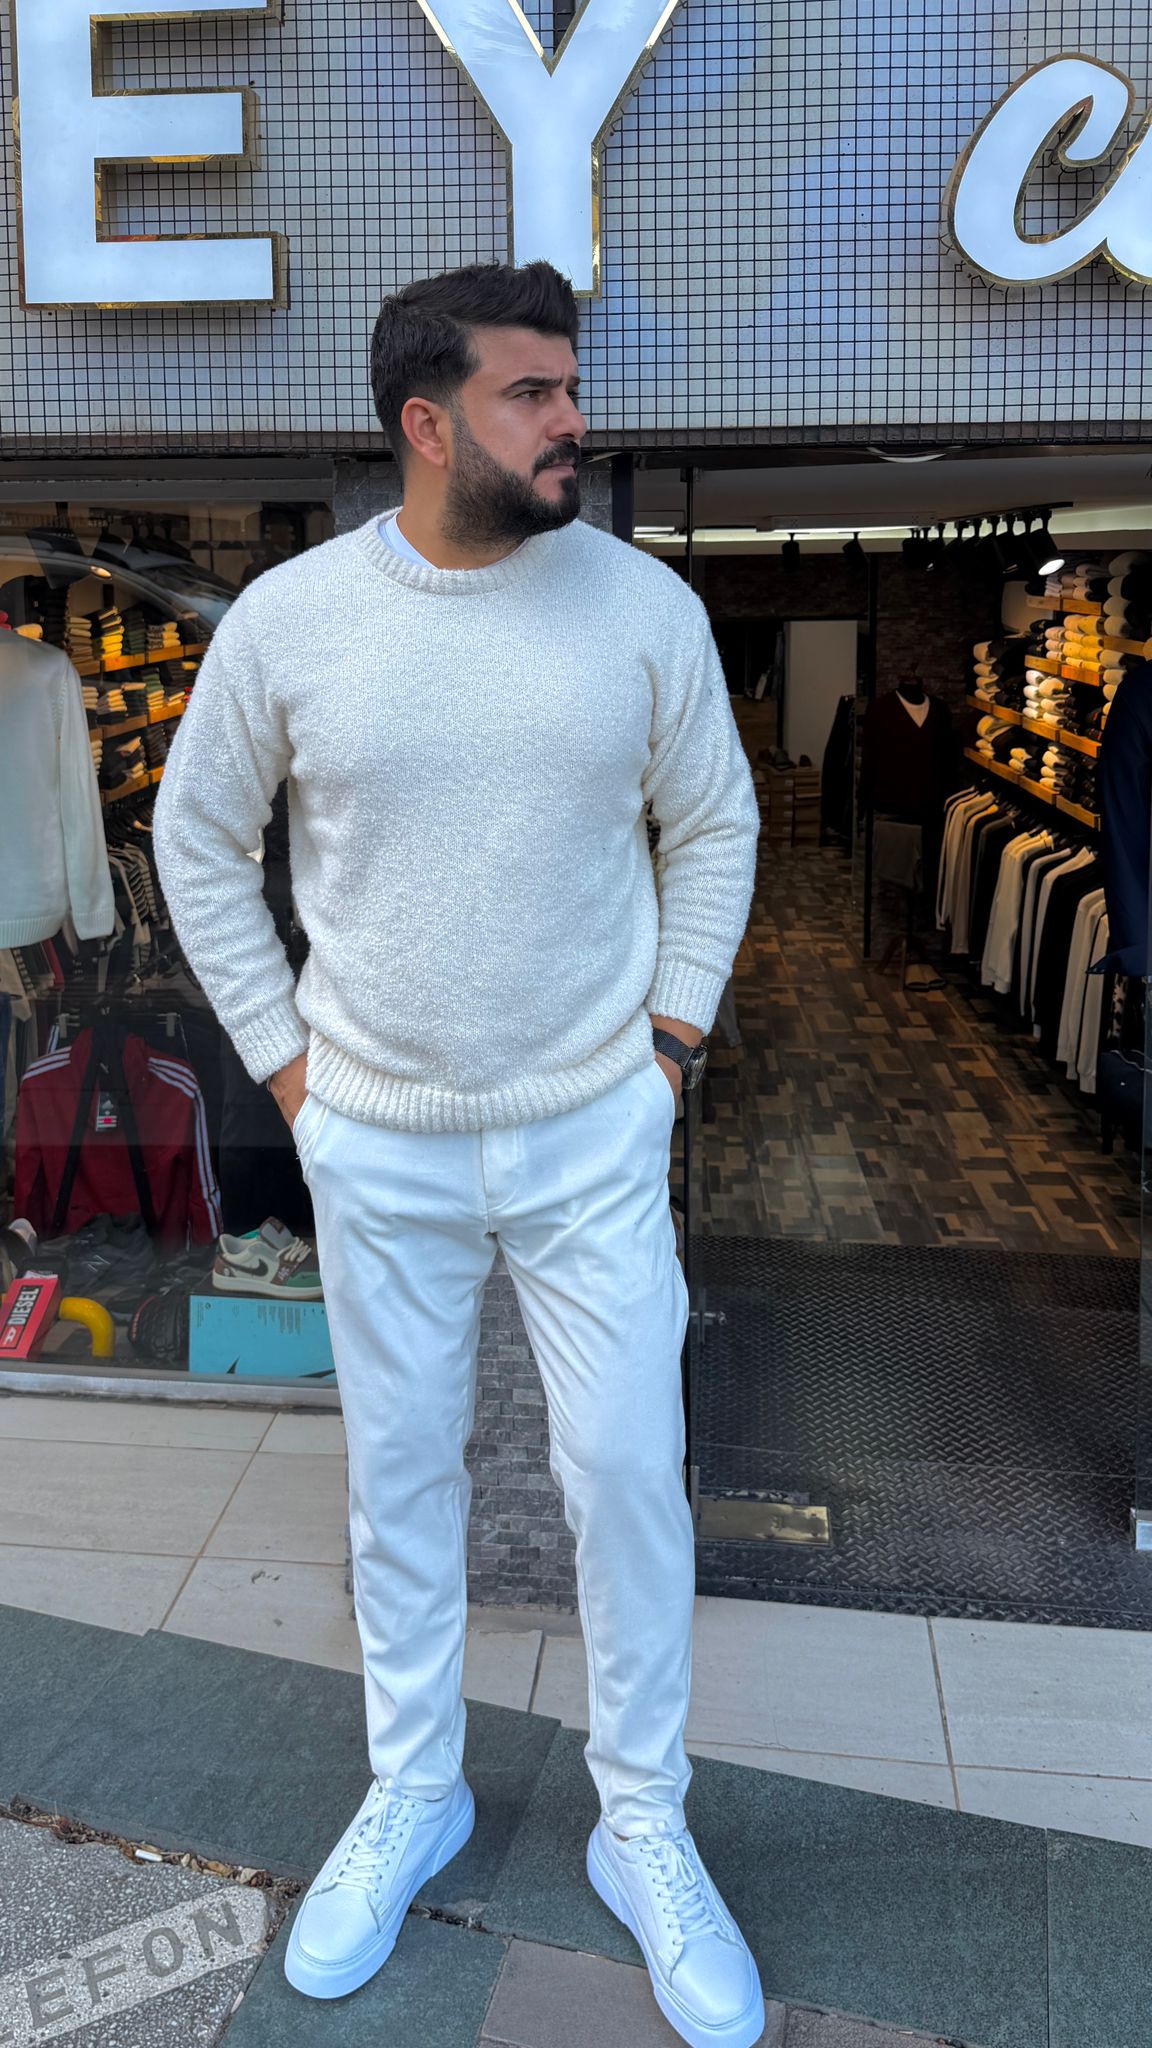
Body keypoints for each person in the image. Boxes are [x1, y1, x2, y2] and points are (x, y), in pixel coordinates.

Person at [153, 259, 763, 2047]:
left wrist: (666, 1052)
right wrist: (292, 1077)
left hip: (591, 1131)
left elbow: (714, 826)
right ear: (426, 424)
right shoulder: (292, 622)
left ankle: (642, 1824)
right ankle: (413, 1787)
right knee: (401, 1481)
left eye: (570, 386)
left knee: (628, 1474)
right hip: (380, 1141)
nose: (572, 420)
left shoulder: (641, 609)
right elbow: (198, 842)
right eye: (531, 394)